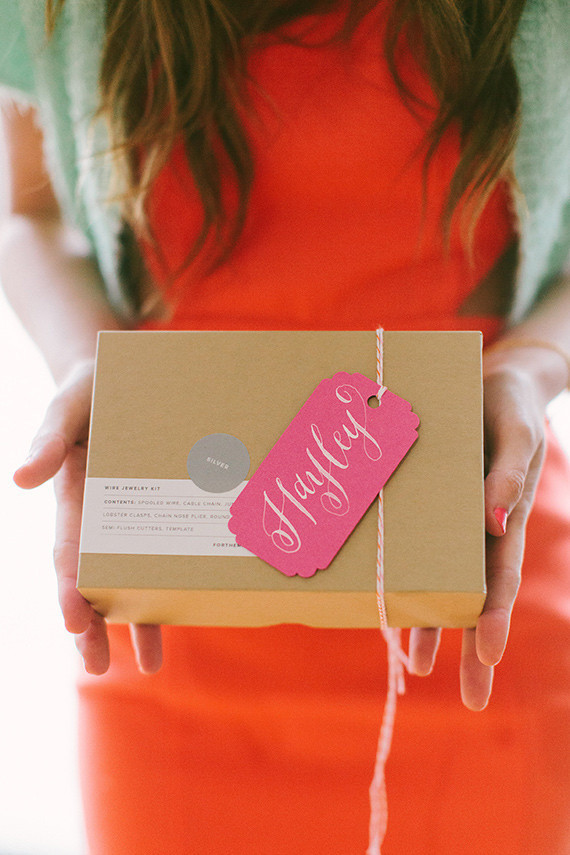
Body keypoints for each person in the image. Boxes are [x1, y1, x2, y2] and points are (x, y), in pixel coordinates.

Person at [1, 0, 570, 852]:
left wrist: (532, 366)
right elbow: (32, 212)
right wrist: (93, 364)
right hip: (177, 601)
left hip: (472, 579)